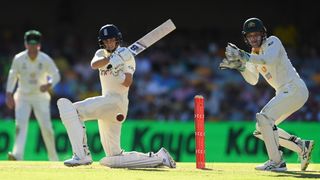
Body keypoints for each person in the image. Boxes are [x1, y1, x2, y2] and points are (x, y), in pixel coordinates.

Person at [57, 24, 176, 168]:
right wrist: (111, 60)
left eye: (111, 40)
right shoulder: (101, 54)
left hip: (116, 102)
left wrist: (117, 72)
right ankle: (159, 158)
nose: (109, 43)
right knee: (113, 158)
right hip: (107, 105)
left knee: (72, 110)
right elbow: (94, 65)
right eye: (106, 41)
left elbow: (127, 82)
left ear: (117, 40)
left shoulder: (127, 56)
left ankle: (81, 156)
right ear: (102, 42)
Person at [219, 17, 314, 171]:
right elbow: (253, 79)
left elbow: (267, 60)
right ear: (246, 38)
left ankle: (277, 162)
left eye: (256, 34)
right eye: (250, 36)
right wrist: (240, 66)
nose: (253, 38)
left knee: (264, 117)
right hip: (286, 92)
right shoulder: (253, 53)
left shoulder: (272, 42)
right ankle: (301, 146)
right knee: (261, 127)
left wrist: (243, 55)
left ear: (263, 34)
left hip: (294, 88)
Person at [6, 30, 60, 161]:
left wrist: (48, 85)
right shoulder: (19, 59)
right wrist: (8, 93)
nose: (32, 47)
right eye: (30, 44)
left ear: (39, 45)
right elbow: (12, 76)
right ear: (25, 44)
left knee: (46, 127)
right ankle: (17, 156)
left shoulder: (45, 59)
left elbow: (56, 75)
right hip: (23, 95)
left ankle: (53, 158)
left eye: (34, 44)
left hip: (40, 96)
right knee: (20, 124)